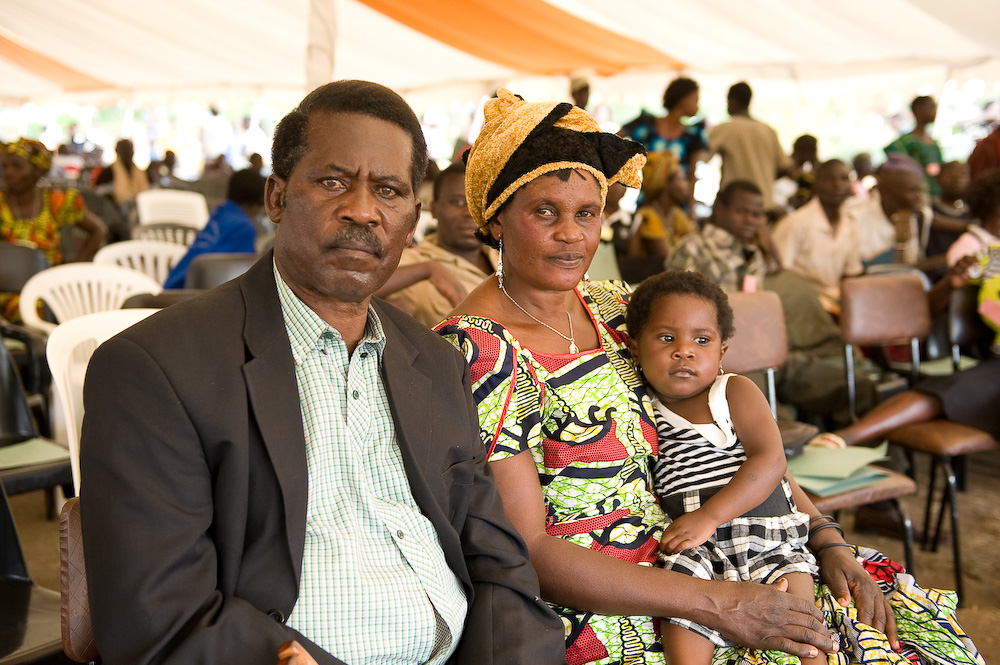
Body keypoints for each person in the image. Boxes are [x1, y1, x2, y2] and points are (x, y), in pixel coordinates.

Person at [435, 88, 981, 665]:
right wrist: (718, 604)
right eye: (544, 212)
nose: (572, 234)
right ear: (495, 219)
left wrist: (825, 541)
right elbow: (531, 549)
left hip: (735, 552)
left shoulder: (620, 309)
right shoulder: (479, 350)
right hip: (618, 607)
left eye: (587, 212)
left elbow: (740, 442)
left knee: (908, 636)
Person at [79, 80, 566, 665]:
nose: (363, 210)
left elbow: (498, 560)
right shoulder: (156, 370)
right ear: (278, 198)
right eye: (334, 182)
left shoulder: (435, 363)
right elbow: (157, 618)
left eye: (389, 191)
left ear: (412, 219)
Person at [626, 270, 822, 665]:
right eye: (667, 338)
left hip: (766, 534)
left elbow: (771, 460)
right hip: (695, 546)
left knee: (804, 632)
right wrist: (700, 527)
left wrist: (710, 515)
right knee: (680, 622)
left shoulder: (732, 391)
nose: (685, 351)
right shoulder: (638, 406)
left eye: (702, 340)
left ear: (722, 352)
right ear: (634, 348)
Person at [668, 180, 876, 428]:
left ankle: (842, 452)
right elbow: (683, 315)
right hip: (728, 362)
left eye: (757, 215)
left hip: (769, 354)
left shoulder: (752, 252)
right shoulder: (694, 248)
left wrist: (766, 241)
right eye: (742, 212)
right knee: (776, 425)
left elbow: (774, 272)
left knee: (858, 388)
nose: (750, 221)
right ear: (719, 209)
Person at [379, 162, 498, 327]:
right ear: (434, 209)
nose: (469, 213)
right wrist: (428, 269)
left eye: (478, 204)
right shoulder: (410, 262)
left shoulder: (505, 257)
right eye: (457, 202)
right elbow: (359, 287)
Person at [0, 138, 107, 320]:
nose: (8, 173)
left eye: (17, 167)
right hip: (6, 289)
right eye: (4, 166)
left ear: (38, 172)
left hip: (49, 287)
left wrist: (73, 266)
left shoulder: (56, 202)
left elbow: (98, 230)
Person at [772, 159, 863, 309]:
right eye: (828, 179)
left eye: (844, 178)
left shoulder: (851, 226)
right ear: (815, 184)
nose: (837, 185)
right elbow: (779, 278)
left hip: (836, 304)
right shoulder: (795, 223)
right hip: (800, 305)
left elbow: (851, 274)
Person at [163, 168, 266, 288]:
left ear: (228, 192)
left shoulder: (220, 213)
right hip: (196, 294)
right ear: (260, 201)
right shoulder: (245, 228)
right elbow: (241, 277)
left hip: (173, 287)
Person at [619, 76, 708, 203]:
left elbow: (691, 176)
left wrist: (691, 213)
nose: (697, 106)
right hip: (648, 203)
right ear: (683, 99)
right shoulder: (646, 125)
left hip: (676, 206)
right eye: (695, 100)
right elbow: (613, 139)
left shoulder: (693, 135)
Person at [708, 82, 788, 211]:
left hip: (735, 206)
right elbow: (784, 167)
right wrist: (763, 177)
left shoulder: (727, 128)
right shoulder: (767, 130)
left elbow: (701, 156)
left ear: (732, 100)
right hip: (763, 204)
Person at [846, 153, 933, 269]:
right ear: (887, 193)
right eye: (912, 190)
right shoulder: (855, 220)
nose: (919, 196)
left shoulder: (920, 217)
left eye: (919, 190)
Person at [627, 150, 695, 266]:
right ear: (666, 184)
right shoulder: (648, 217)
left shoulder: (677, 215)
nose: (687, 185)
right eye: (682, 179)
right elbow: (670, 261)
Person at [885, 95, 943, 197]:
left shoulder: (933, 142)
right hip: (916, 196)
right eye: (931, 107)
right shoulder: (904, 143)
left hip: (937, 196)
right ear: (917, 110)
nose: (935, 111)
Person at [929, 161, 973, 258]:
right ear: (938, 179)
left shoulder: (975, 210)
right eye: (950, 174)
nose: (957, 179)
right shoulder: (928, 208)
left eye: (962, 174)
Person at [93, 138, 149, 207]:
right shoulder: (107, 173)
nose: (128, 153)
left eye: (130, 150)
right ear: (117, 151)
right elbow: (99, 194)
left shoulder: (140, 172)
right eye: (125, 150)